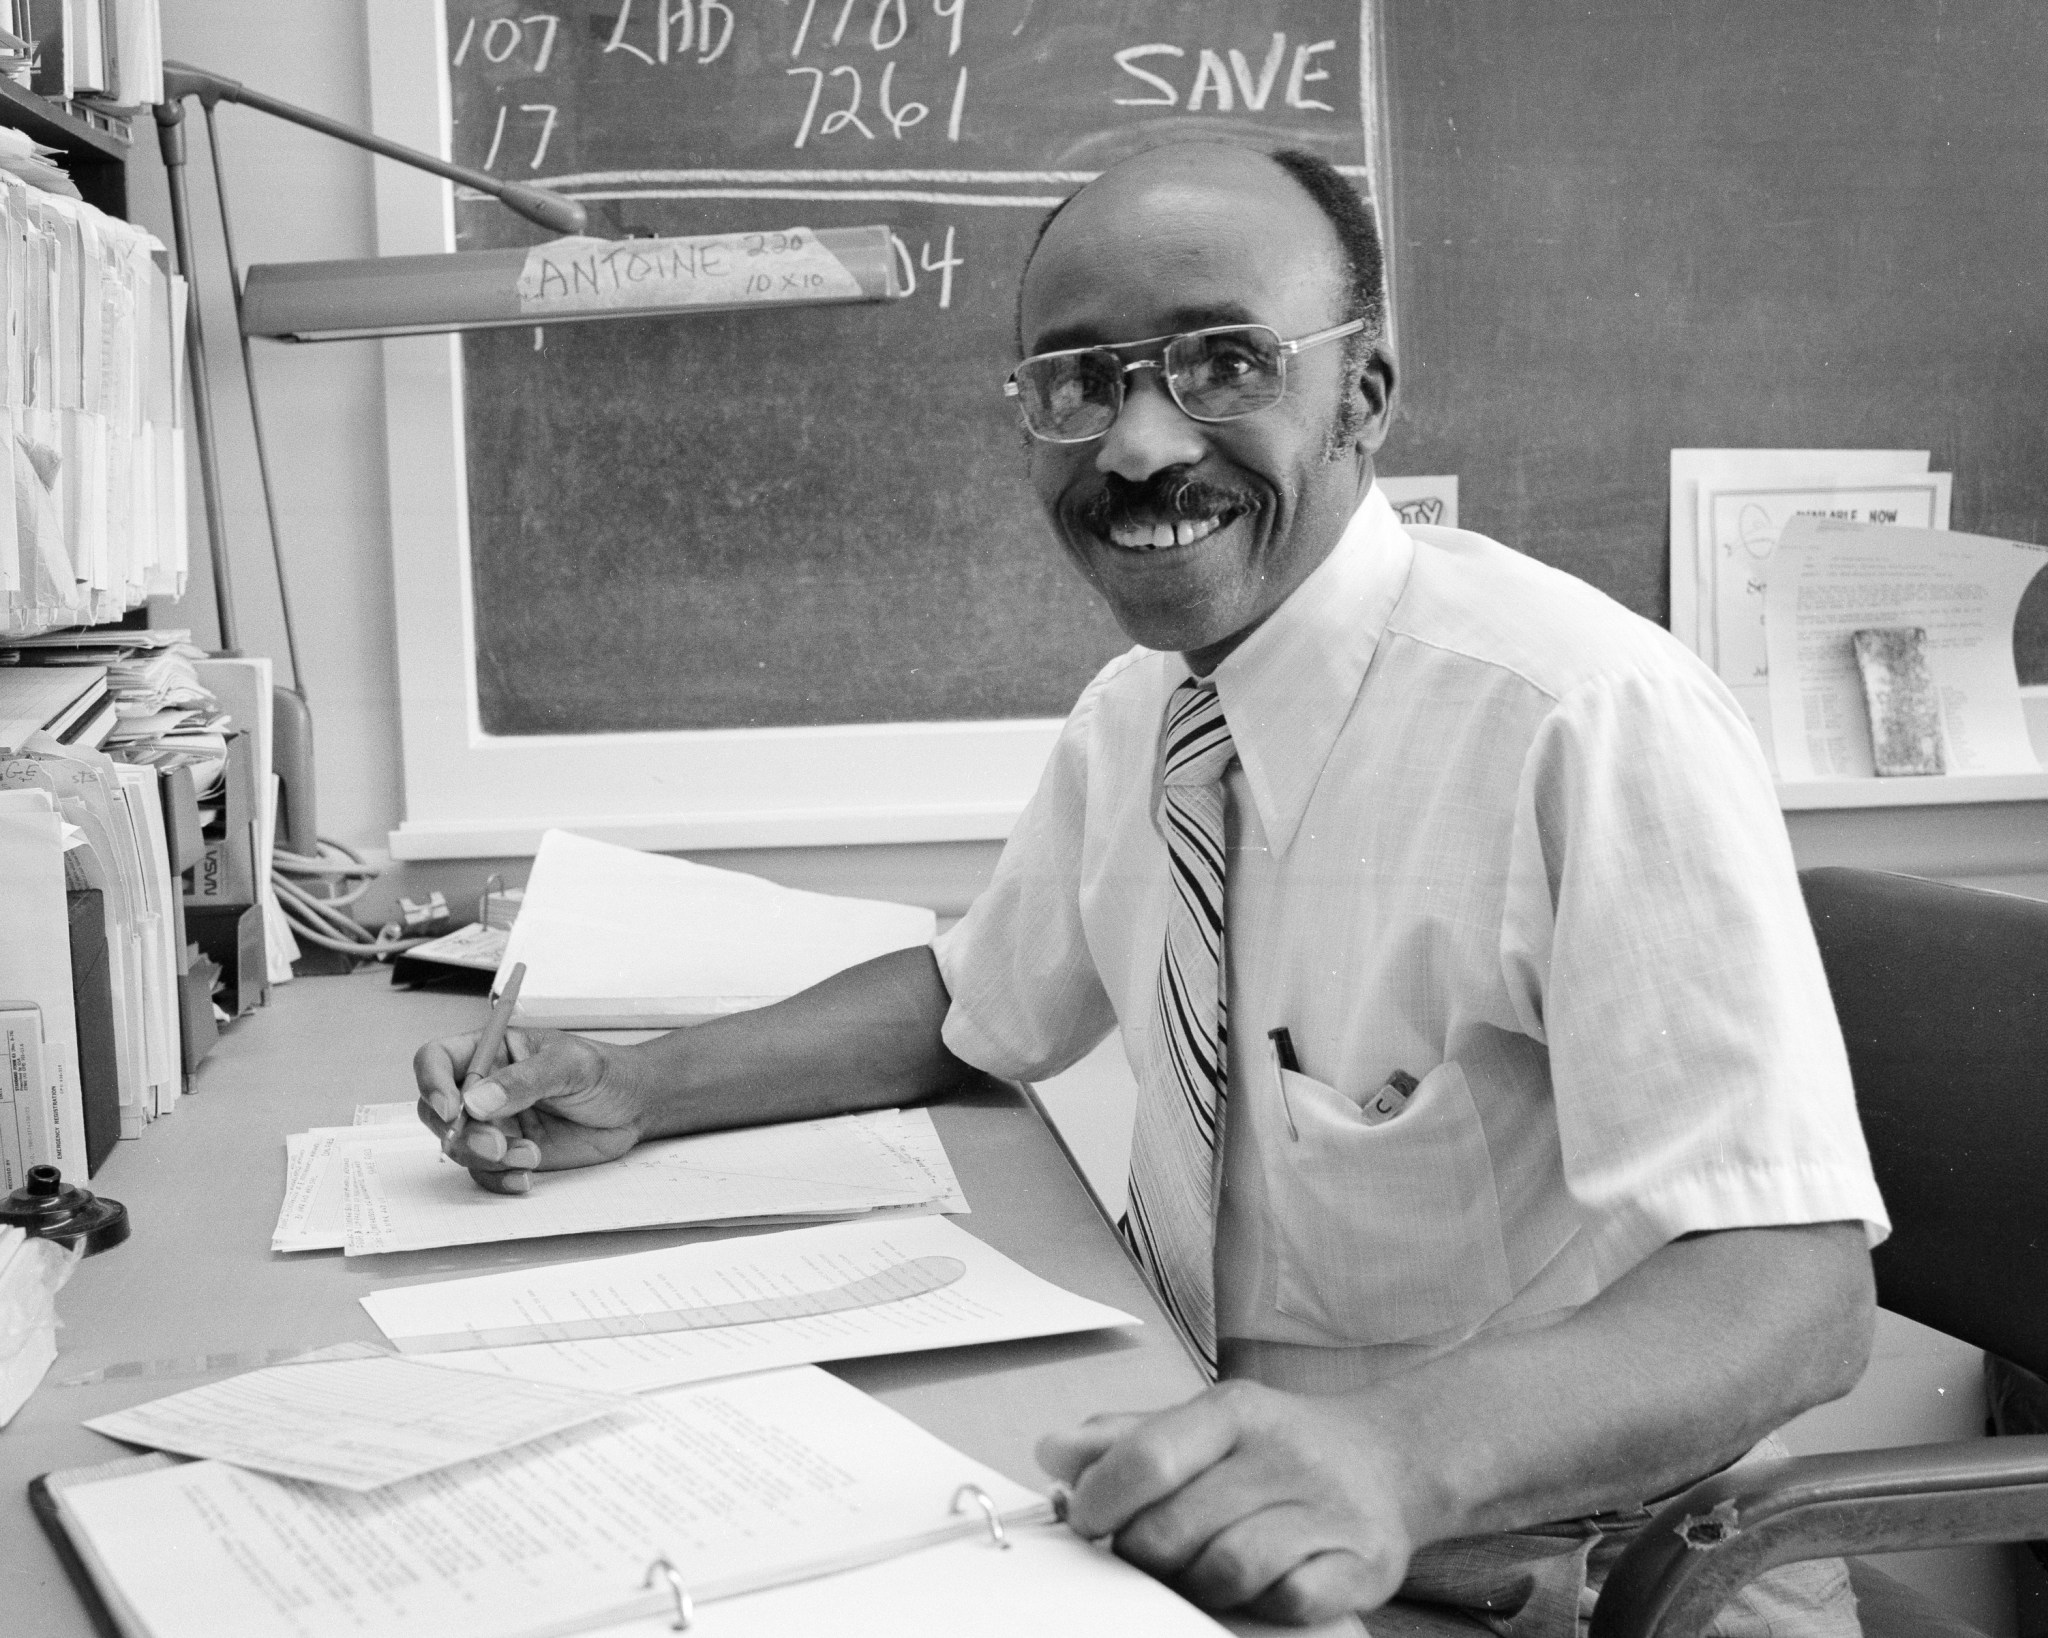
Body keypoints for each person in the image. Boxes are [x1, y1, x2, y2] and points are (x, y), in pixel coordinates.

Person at [414, 143, 1887, 1636]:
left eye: (1224, 362)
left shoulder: (1581, 714)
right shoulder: (1145, 717)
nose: (1134, 447)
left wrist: (1390, 1457)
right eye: (1076, 381)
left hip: (1559, 1568)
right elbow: (971, 998)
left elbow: (1793, 1292)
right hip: (1206, 1500)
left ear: (1365, 393)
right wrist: (638, 1088)